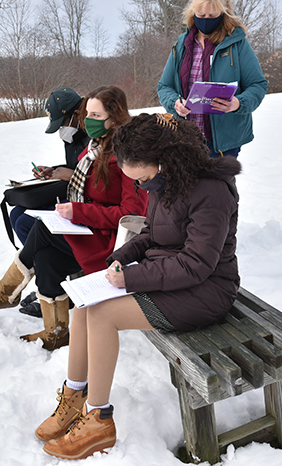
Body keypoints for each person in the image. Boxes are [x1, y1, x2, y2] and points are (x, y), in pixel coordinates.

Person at [36, 113, 241, 460]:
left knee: (102, 315)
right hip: (169, 276)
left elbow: (197, 265)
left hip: (207, 291)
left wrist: (130, 278)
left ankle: (99, 419)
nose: (143, 188)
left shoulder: (210, 191)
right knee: (85, 304)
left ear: (166, 159)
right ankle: (74, 396)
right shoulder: (167, 181)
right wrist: (120, 256)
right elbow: (151, 232)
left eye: (143, 179)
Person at [0, 86, 148, 351]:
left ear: (115, 116)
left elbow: (129, 216)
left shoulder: (128, 156)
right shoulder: (96, 147)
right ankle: (57, 332)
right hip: (91, 231)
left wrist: (78, 212)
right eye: (87, 114)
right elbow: (89, 189)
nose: (88, 121)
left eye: (95, 115)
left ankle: (8, 289)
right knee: (46, 257)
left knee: (41, 231)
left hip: (113, 243)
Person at [157, 0, 268, 158]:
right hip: (185, 140)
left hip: (223, 144)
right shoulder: (181, 44)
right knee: (186, 185)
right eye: (201, 15)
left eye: (212, 15)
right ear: (193, 13)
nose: (206, 19)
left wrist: (237, 104)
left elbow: (258, 85)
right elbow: (164, 86)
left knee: (217, 186)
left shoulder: (236, 44)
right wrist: (175, 103)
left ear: (223, 14)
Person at [9, 87, 90, 247]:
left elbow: (96, 176)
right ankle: (37, 259)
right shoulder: (74, 134)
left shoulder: (94, 134)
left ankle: (49, 259)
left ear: (76, 115)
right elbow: (74, 165)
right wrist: (53, 171)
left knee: (25, 222)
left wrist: (70, 174)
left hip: (87, 198)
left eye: (62, 124)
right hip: (70, 191)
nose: (61, 130)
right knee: (16, 213)